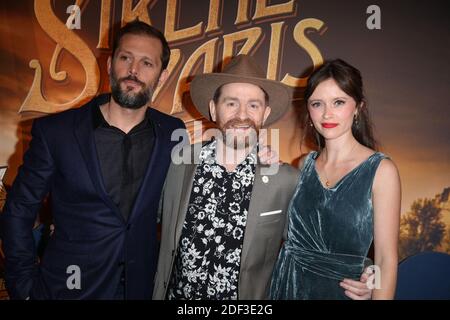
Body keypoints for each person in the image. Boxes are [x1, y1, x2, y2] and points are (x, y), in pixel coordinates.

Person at [153, 55, 372, 300]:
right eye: (231, 103)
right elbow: (143, 220)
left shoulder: (285, 180)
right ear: (214, 108)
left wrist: (366, 272)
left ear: (265, 113)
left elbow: (314, 245)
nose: (242, 114)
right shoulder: (179, 163)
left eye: (253, 105)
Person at [1, 20, 186, 299]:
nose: (133, 70)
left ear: (161, 76)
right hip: (68, 288)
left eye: (147, 63)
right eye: (126, 58)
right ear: (110, 64)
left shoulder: (172, 132)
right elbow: (18, 209)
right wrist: (24, 286)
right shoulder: (57, 132)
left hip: (140, 289)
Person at [269, 59, 401, 300]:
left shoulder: (382, 170)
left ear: (358, 107)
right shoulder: (302, 165)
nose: (327, 113)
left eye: (338, 102)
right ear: (308, 111)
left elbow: (386, 258)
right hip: (285, 286)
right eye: (317, 104)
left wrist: (374, 284)